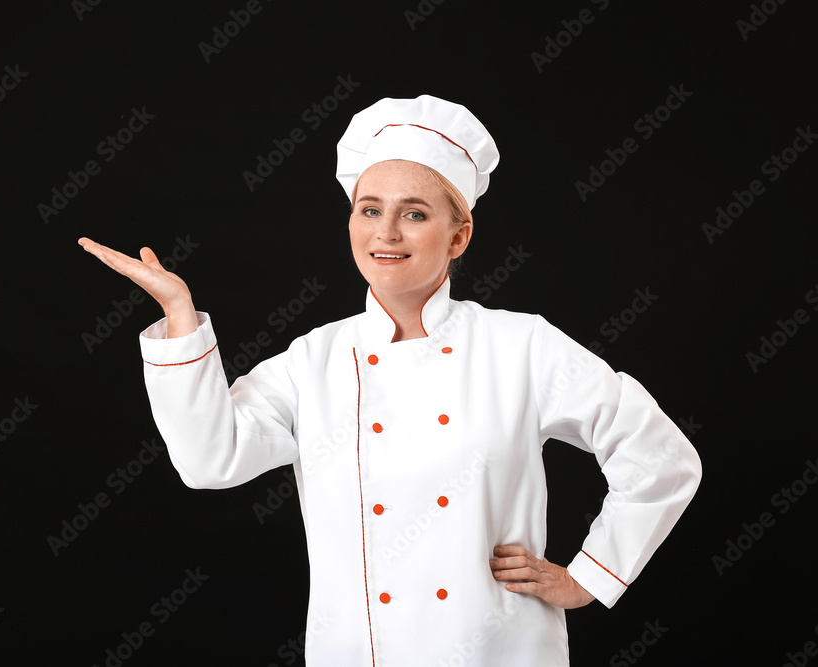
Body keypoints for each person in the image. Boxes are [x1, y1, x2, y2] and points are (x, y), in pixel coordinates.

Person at [79, 94, 702, 665]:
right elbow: (209, 460)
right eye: (369, 209)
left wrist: (590, 577)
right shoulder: (313, 360)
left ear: (458, 237)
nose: (386, 232)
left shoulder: (521, 345)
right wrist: (181, 319)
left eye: (415, 213)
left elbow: (661, 456)